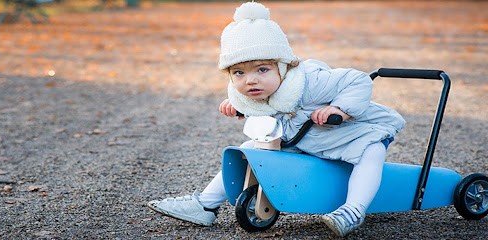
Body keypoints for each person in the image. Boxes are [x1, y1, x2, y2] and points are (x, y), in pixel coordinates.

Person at [147, 1, 405, 237]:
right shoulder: (255, 90)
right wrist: (239, 106)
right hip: (303, 139)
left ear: (283, 67)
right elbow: (260, 104)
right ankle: (205, 204)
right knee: (249, 150)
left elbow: (358, 80)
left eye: (262, 69)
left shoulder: (311, 82)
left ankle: (353, 210)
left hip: (349, 133)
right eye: (239, 73)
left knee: (371, 152)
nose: (251, 80)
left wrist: (340, 109)